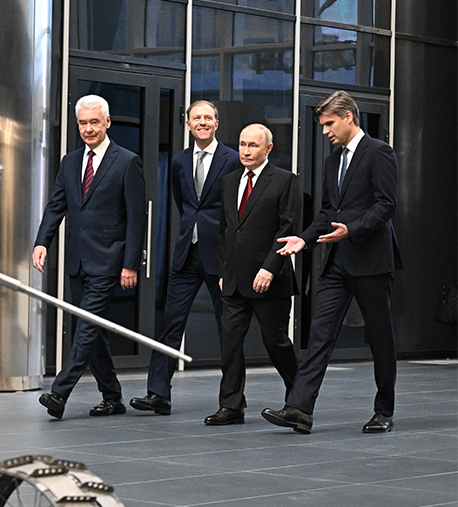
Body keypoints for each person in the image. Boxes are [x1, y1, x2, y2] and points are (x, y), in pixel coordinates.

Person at [263, 90, 401, 434]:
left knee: (380, 338)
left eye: (329, 123)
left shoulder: (379, 152)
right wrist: (304, 239)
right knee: (319, 335)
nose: (325, 131)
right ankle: (299, 409)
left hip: (371, 260)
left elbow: (386, 205)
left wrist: (351, 230)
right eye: (323, 125)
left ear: (348, 117)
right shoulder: (332, 161)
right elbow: (328, 212)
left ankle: (384, 411)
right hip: (337, 263)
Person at [33, 94, 147, 419]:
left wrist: (130, 263)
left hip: (109, 261)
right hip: (77, 261)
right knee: (93, 332)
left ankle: (59, 393)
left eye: (94, 122)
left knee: (84, 328)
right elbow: (56, 206)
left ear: (107, 122)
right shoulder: (70, 162)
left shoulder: (127, 161)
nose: (88, 129)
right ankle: (112, 396)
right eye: (82, 123)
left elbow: (136, 218)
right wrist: (42, 242)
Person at [129, 101, 240, 415]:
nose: (202, 122)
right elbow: (185, 204)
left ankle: (233, 401)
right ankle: (158, 393)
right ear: (187, 124)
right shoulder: (178, 161)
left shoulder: (232, 159)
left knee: (228, 329)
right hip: (186, 254)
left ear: (216, 123)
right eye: (196, 118)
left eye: (208, 118)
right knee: (170, 323)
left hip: (220, 256)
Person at [204, 124, 299, 425]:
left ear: (268, 148)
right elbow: (225, 230)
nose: (245, 151)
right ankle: (231, 406)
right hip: (234, 280)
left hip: (269, 280)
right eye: (242, 144)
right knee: (230, 343)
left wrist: (270, 268)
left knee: (276, 342)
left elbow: (287, 229)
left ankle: (299, 398)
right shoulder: (230, 181)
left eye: (253, 145)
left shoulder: (284, 180)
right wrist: (223, 270)